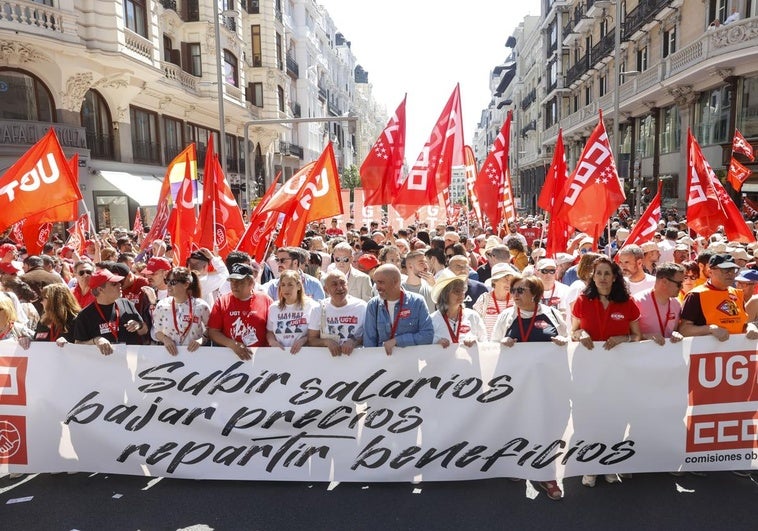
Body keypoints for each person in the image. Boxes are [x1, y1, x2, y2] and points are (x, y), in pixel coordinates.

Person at [571, 255, 641, 488]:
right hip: (588, 373)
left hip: (617, 373)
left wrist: (624, 338)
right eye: (598, 273)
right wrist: (581, 334)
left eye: (607, 274)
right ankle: (590, 465)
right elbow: (574, 331)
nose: (602, 278)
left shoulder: (627, 302)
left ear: (614, 278)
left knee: (615, 418)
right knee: (590, 418)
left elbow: (637, 336)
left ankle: (609, 465)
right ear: (592, 276)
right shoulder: (583, 300)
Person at [72, 269, 149, 355]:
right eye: (114, 284)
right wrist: (96, 340)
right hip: (104, 364)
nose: (120, 285)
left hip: (130, 362)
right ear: (100, 290)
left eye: (119, 282)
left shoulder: (126, 303)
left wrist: (139, 325)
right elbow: (78, 344)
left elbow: (144, 330)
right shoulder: (85, 315)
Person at [363, 264, 434, 355]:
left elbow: (427, 336)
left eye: (381, 282)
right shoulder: (373, 304)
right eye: (375, 282)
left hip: (410, 362)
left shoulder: (417, 301)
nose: (377, 287)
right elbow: (369, 343)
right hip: (383, 365)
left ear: (395, 282)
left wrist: (397, 341)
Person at [208, 263, 272, 360]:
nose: (234, 285)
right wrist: (233, 344)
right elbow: (213, 332)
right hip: (229, 360)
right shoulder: (222, 301)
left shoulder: (266, 300)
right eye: (232, 281)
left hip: (261, 359)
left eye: (239, 282)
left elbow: (272, 330)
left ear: (251, 282)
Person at [679, 254, 747, 341]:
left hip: (737, 351)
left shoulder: (737, 293)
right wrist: (710, 329)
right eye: (725, 270)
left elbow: (742, 323)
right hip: (707, 352)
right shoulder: (696, 295)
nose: (730, 274)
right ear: (710, 271)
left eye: (733, 270)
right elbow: (683, 330)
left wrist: (750, 328)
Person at [151, 267, 210, 355]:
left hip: (196, 355)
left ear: (186, 284)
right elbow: (156, 331)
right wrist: (165, 339)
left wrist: (201, 339)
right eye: (167, 281)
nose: (168, 285)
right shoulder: (162, 305)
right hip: (170, 355)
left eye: (173, 282)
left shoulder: (201, 306)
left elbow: (212, 329)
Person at [307, 270, 367, 356]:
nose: (340, 288)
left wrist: (354, 342)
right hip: (327, 361)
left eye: (343, 283)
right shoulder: (318, 308)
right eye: (334, 284)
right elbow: (311, 340)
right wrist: (327, 342)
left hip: (356, 359)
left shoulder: (362, 306)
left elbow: (369, 335)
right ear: (326, 289)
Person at [429, 270, 487, 347]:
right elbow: (424, 349)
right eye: (456, 291)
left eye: (462, 290)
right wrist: (436, 344)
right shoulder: (432, 320)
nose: (461, 294)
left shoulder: (473, 316)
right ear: (445, 294)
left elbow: (485, 342)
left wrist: (476, 342)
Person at [266, 270, 318, 354]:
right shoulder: (274, 308)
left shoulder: (312, 306)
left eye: (290, 285)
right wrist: (272, 342)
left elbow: (317, 334)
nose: (286, 289)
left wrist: (304, 340)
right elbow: (270, 332)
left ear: (299, 286)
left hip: (305, 355)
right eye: (283, 285)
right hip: (280, 355)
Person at [633, 263, 685, 345]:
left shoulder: (676, 304)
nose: (682, 287)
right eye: (679, 284)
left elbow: (675, 330)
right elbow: (627, 334)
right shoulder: (637, 301)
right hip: (643, 355)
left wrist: (676, 333)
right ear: (664, 282)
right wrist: (646, 336)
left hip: (668, 354)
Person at [472, 262, 518, 337]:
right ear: (494, 281)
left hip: (510, 346)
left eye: (511, 280)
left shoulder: (516, 299)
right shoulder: (484, 299)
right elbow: (474, 323)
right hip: (489, 346)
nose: (509, 283)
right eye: (505, 279)